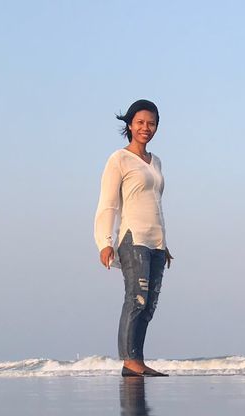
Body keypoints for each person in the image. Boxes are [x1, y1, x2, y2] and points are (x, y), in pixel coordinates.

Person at [94, 99, 173, 377]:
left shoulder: (156, 161)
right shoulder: (119, 159)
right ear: (129, 125)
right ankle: (130, 360)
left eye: (151, 123)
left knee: (149, 304)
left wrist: (165, 244)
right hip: (133, 238)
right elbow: (108, 204)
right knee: (136, 299)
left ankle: (137, 359)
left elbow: (154, 203)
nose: (145, 128)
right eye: (140, 122)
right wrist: (104, 242)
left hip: (156, 243)